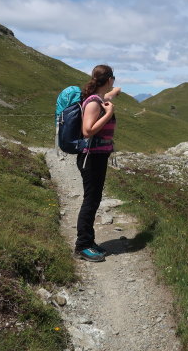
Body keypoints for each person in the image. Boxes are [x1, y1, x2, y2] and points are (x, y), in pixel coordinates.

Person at [75, 64, 121, 262]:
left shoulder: (101, 98)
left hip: (98, 156)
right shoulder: (94, 103)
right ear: (109, 79)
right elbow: (87, 130)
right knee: (90, 200)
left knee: (94, 199)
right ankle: (82, 246)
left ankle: (89, 241)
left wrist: (114, 92)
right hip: (91, 157)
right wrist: (109, 114)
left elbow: (110, 95)